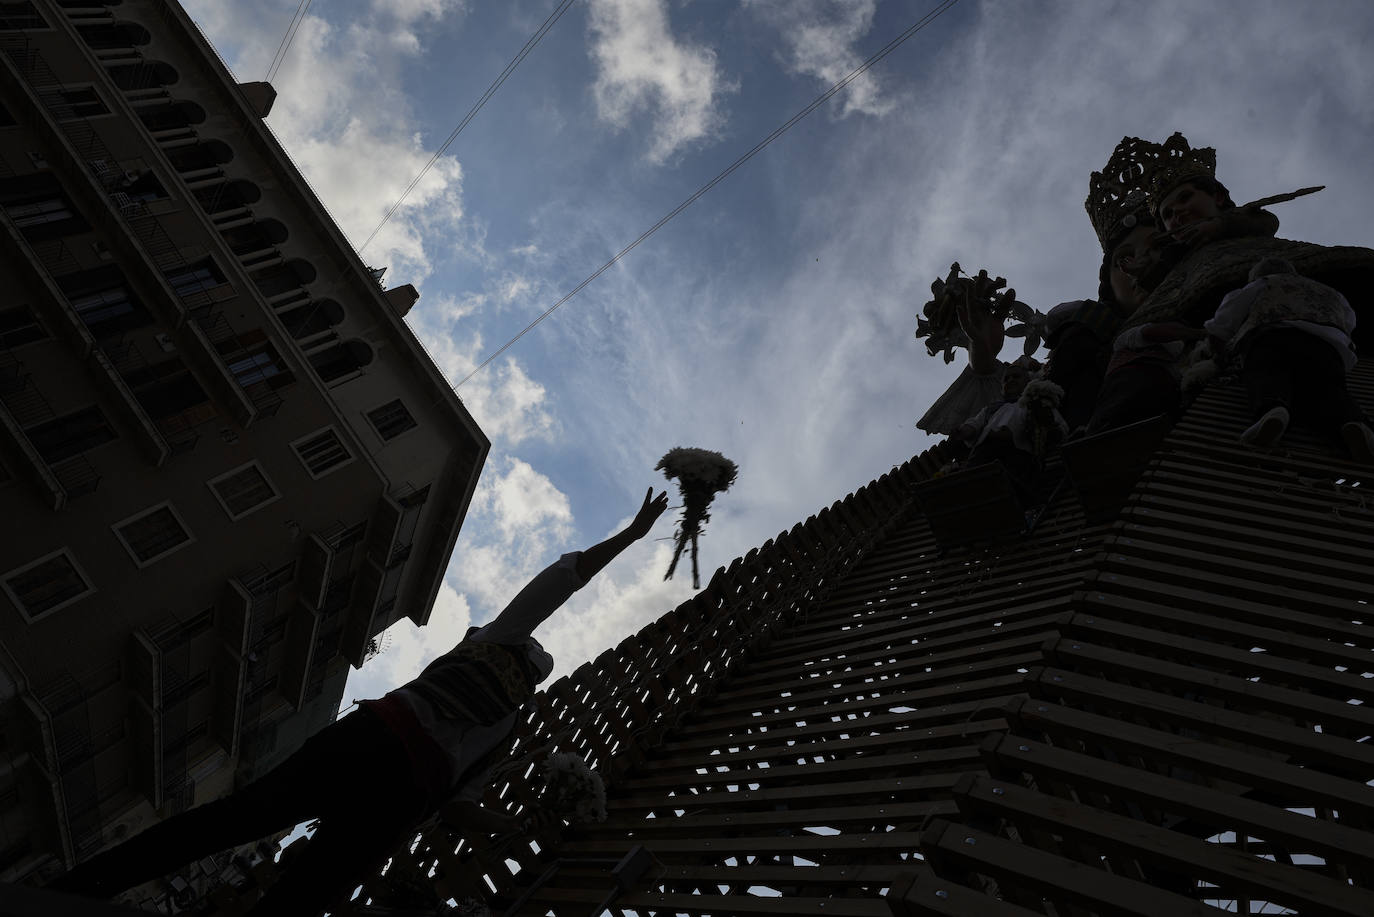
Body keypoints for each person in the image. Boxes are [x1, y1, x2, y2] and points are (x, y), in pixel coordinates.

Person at [47, 487, 671, 915]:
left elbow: (459, 808)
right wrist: (632, 535)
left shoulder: (498, 690)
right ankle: (85, 885)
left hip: (375, 749)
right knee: (295, 884)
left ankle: (86, 886)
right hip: (395, 786)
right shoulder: (502, 695)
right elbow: (564, 579)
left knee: (243, 826)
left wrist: (513, 824)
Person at [1204, 257, 1374, 460]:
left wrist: (1220, 352)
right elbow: (1349, 322)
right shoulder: (1333, 293)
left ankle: (1273, 410)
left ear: (1257, 275)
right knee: (1328, 391)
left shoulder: (1265, 282)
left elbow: (1224, 321)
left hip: (1274, 337)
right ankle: (1352, 423)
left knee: (1267, 374)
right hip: (1328, 349)